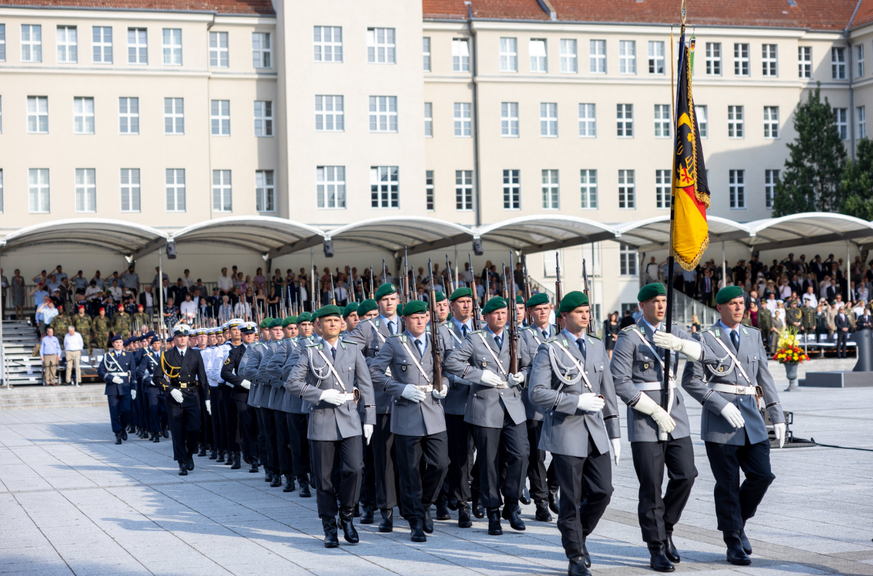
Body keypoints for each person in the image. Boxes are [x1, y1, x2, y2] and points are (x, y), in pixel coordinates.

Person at [610, 282, 713, 572]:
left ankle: (666, 525)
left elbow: (705, 354)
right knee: (651, 487)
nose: (660, 306)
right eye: (654, 301)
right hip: (645, 417)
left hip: (675, 414)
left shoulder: (673, 329)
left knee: (686, 475)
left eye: (664, 300)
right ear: (641, 306)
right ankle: (656, 547)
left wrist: (681, 345)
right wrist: (652, 409)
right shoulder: (629, 336)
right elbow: (620, 381)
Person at [681, 286, 786, 565]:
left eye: (741, 303)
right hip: (720, 421)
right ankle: (732, 541)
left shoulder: (753, 334)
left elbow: (764, 376)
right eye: (733, 304)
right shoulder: (703, 338)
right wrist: (720, 405)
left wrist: (777, 414)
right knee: (727, 484)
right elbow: (691, 381)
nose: (739, 308)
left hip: (751, 418)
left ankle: (738, 522)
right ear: (720, 308)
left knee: (762, 475)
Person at [528, 292, 620, 576]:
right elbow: (536, 393)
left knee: (603, 492)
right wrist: (575, 401)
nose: (585, 315)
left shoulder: (595, 345)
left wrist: (614, 432)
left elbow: (609, 391)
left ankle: (578, 536)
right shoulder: (550, 348)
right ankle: (575, 557)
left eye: (587, 311)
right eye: (579, 311)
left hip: (595, 431)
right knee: (571, 496)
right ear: (564, 317)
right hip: (565, 431)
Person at [287, 304, 376, 548]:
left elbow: (366, 385)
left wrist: (369, 418)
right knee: (324, 478)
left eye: (337, 320)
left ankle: (346, 516)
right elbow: (292, 383)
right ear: (318, 325)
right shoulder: (310, 351)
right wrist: (320, 395)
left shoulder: (352, 349)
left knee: (355, 469)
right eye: (327, 321)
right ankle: (328, 525)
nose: (333, 324)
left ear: (343, 324)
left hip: (349, 418)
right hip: (322, 419)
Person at [443, 296, 531, 536]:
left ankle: (511, 504)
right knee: (488, 462)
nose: (501, 317)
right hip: (485, 407)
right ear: (485, 317)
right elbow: (451, 362)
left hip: (512, 405)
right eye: (496, 314)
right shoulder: (475, 339)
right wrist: (478, 375)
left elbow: (529, 364)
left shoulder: (517, 337)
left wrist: (522, 376)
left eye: (504, 313)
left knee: (521, 454)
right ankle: (493, 511)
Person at [370, 300, 450, 542]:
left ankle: (425, 503)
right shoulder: (395, 343)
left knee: (440, 464)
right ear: (404, 320)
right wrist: (399, 389)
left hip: (433, 411)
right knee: (409, 470)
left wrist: (444, 385)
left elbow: (445, 369)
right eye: (414, 317)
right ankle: (415, 519)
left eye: (423, 316)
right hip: (406, 412)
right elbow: (374, 371)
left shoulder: (436, 340)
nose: (419, 320)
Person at [344, 283, 403, 532]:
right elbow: (347, 351)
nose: (389, 303)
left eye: (393, 298)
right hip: (381, 401)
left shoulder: (409, 322)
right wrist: (377, 362)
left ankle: (414, 504)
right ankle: (385, 509)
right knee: (383, 459)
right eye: (384, 299)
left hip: (411, 401)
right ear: (377, 302)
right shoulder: (367, 328)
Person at [519, 292, 560, 522]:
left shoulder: (560, 333)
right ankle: (541, 501)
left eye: (545, 308)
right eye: (537, 309)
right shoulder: (523, 336)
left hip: (561, 402)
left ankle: (552, 486)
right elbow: (522, 366)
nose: (542, 312)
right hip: (534, 404)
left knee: (563, 452)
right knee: (537, 456)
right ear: (530, 313)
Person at [155, 325, 211, 475]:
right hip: (174, 397)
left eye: (184, 336)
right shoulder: (166, 355)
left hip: (192, 395)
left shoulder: (195, 354)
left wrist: (207, 398)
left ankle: (189, 454)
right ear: (174, 338)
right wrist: (170, 389)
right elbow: (157, 378)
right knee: (177, 431)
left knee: (194, 428)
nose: (182, 339)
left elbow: (203, 377)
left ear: (188, 338)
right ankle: (181, 462)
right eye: (179, 336)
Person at [97, 334, 136, 444]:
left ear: (123, 343)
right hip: (112, 387)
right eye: (116, 342)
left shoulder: (129, 356)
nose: (118, 344)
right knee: (114, 412)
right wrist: (111, 378)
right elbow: (100, 371)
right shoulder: (107, 357)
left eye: (120, 342)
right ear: (113, 344)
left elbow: (133, 373)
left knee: (126, 410)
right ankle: (118, 433)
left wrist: (134, 388)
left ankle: (123, 427)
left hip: (125, 386)